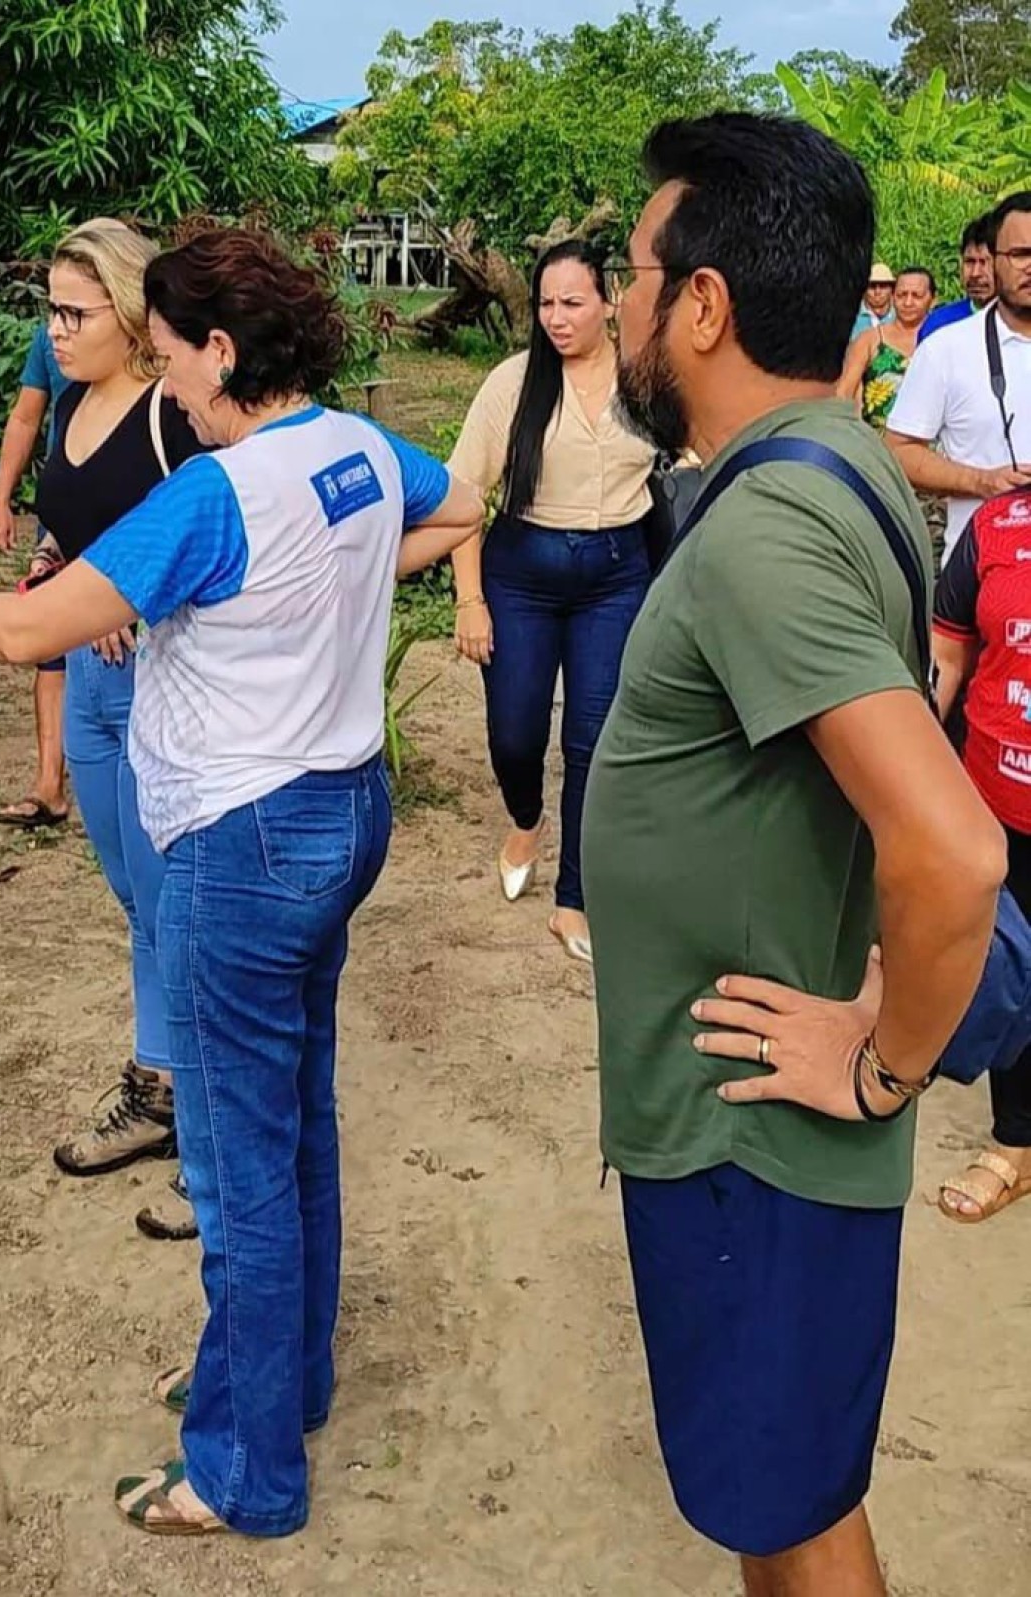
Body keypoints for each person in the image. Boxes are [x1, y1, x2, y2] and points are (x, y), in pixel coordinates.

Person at [0, 227, 485, 1539]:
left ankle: (246, 1471)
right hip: (339, 813)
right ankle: (279, 1382)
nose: (171, 381)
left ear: (223, 351)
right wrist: (315, 601)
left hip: (241, 840)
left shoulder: (215, 497)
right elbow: (459, 504)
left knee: (236, 1160)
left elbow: (27, 629)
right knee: (296, 1118)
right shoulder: (357, 450)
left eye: (178, 354)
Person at [586, 112, 1005, 1597]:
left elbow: (951, 855)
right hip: (739, 1120)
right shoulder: (830, 458)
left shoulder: (767, 522)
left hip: (748, 1133)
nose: (620, 300)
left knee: (795, 1508)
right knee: (781, 1500)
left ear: (701, 303)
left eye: (635, 270)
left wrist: (879, 1062)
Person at [24, 218, 208, 1184]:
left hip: (158, 679)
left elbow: (216, 546)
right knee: (140, 904)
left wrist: (129, 592)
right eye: (50, 309)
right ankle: (159, 1086)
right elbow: (74, 524)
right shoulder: (70, 404)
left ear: (130, 315)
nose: (54, 330)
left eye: (72, 311)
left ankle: (204, 1119)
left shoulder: (169, 417)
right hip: (89, 684)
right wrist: (59, 558)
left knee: (180, 905)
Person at [449, 240, 653, 963]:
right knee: (514, 734)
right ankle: (527, 815)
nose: (557, 319)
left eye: (573, 303)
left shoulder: (645, 379)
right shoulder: (513, 384)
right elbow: (464, 498)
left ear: (608, 300)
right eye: (546, 304)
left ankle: (575, 899)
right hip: (521, 577)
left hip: (616, 576)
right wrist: (469, 599)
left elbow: (688, 458)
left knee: (593, 742)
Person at [932, 484, 1031, 1222]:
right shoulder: (997, 525)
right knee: (1015, 966)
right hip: (998, 802)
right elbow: (948, 661)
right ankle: (1018, 1142)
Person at [886, 190, 1031, 567]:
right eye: (1019, 254)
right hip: (978, 579)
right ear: (994, 261)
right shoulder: (946, 349)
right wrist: (981, 482)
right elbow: (899, 451)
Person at [0, 321, 73, 829]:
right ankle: (49, 785)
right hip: (62, 508)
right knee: (51, 642)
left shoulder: (147, 333)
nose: (62, 323)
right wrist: (2, 497)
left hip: (131, 503)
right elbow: (25, 416)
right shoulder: (50, 339)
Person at [838, 267, 935, 430]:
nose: (908, 302)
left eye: (916, 296)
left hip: (930, 441)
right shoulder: (869, 339)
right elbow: (844, 392)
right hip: (877, 442)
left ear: (933, 299)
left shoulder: (942, 340)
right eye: (901, 295)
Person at [918, 213, 996, 344]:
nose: (975, 273)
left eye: (984, 262)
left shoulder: (1021, 325)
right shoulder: (939, 324)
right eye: (969, 262)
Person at [850, 262, 896, 343]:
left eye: (883, 286)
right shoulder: (851, 316)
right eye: (872, 286)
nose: (877, 292)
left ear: (892, 289)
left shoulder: (900, 316)